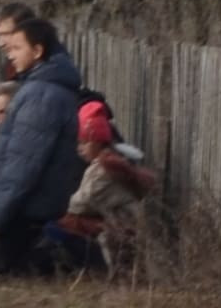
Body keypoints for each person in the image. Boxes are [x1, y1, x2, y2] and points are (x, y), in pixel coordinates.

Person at [0, 7, 88, 280]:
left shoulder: (42, 94)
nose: (10, 53)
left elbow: (24, 161)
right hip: (32, 205)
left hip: (30, 206)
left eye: (17, 48)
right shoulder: (40, 87)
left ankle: (70, 258)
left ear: (38, 51)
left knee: (7, 272)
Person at [58, 94, 160, 270]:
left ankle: (84, 267)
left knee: (63, 225)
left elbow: (80, 203)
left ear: (98, 142)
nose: (79, 149)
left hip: (120, 228)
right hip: (125, 223)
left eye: (84, 143)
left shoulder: (102, 171)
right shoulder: (111, 162)